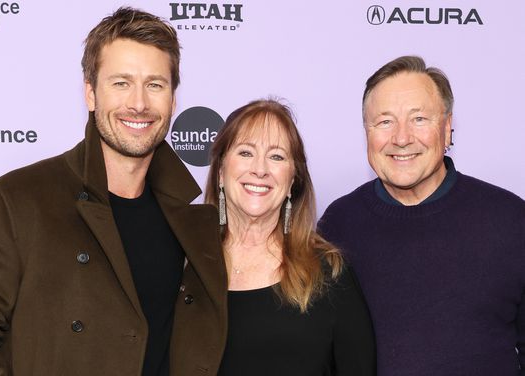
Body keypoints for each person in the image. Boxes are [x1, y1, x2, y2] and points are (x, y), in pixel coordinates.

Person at [0, 7, 226, 376]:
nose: (138, 103)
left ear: (173, 100)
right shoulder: (12, 202)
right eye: (121, 83)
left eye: (155, 84)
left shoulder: (190, 221)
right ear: (90, 94)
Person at [318, 55, 525, 375]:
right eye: (384, 121)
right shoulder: (338, 224)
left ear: (446, 127)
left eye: (418, 119)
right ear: (366, 132)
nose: (401, 138)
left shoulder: (511, 220)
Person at [200, 99, 375, 375]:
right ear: (221, 172)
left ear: (292, 180)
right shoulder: (186, 267)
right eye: (246, 153)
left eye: (277, 156)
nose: (260, 169)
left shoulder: (329, 271)